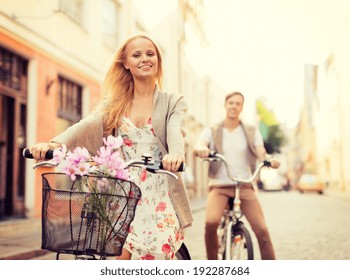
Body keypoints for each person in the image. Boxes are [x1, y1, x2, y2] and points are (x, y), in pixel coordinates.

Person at [29, 34, 193, 260]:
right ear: (126, 63)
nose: (144, 58)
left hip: (160, 194)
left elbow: (176, 131)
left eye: (150, 53)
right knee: (119, 258)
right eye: (136, 55)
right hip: (123, 192)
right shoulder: (116, 104)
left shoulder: (173, 101)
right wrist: (55, 144)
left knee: (154, 258)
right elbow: (87, 125)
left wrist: (175, 155)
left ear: (158, 60)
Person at [193, 91, 280, 260]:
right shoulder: (213, 130)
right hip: (219, 186)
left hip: (244, 186)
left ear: (242, 107)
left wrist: (269, 159)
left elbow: (260, 151)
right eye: (231, 103)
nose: (234, 106)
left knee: (261, 229)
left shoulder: (250, 130)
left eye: (238, 103)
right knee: (211, 222)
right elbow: (200, 143)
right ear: (225, 105)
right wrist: (201, 149)